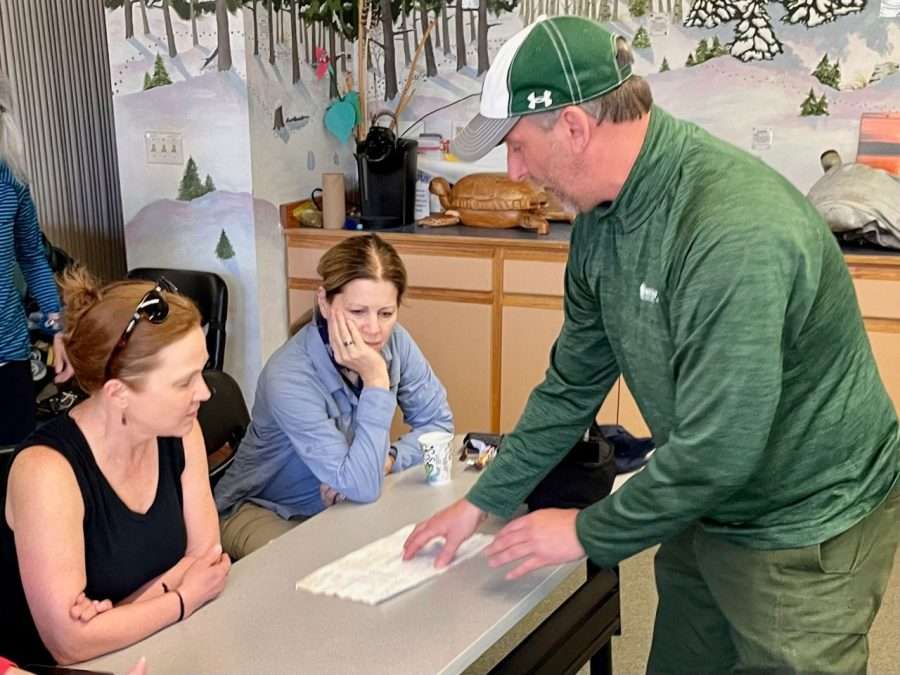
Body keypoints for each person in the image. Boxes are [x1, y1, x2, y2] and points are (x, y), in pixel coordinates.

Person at [403, 15, 900, 674]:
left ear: (575, 128)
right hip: (703, 502)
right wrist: (484, 498)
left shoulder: (729, 232)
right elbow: (570, 383)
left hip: (804, 517)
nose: (515, 171)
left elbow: (721, 448)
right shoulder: (598, 225)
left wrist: (584, 530)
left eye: (518, 146)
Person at [0, 268, 231, 666]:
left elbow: (206, 559)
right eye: (184, 382)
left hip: (156, 648)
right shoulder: (46, 472)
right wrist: (180, 597)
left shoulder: (181, 432)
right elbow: (69, 645)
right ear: (118, 393)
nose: (205, 392)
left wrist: (120, 614)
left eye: (202, 371)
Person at [215, 234, 453, 560]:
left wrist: (390, 459)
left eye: (386, 313)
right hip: (263, 510)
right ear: (325, 303)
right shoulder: (288, 375)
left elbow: (438, 424)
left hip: (342, 502)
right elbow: (362, 486)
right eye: (357, 311)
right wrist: (376, 380)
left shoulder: (397, 341)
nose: (374, 329)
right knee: (329, 578)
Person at [0, 71, 73, 445]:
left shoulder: (10, 181)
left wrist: (57, 327)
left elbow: (32, 257)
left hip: (9, 357)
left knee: (15, 469)